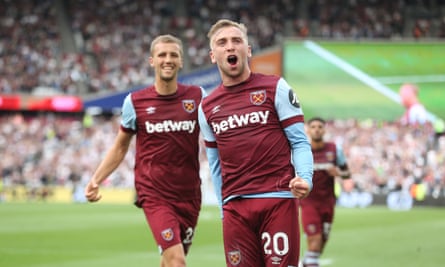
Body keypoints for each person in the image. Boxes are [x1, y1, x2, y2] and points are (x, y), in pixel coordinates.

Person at [198, 19, 314, 267]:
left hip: (278, 201)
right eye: (222, 43)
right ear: (212, 55)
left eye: (237, 41)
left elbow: (300, 141)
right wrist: (223, 209)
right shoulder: (206, 107)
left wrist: (305, 177)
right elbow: (215, 164)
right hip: (235, 210)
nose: (230, 47)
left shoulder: (276, 88)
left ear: (248, 50)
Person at [84, 34, 206, 267]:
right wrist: (96, 179)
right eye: (162, 55)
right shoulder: (135, 102)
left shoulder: (198, 97)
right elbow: (121, 146)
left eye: (173, 55)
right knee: (177, 261)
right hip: (154, 192)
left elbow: (220, 132)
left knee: (169, 259)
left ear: (181, 61)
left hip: (189, 193)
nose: (167, 59)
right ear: (152, 61)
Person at [300, 117, 351, 267]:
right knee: (314, 243)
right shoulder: (302, 151)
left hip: (328, 203)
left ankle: (305, 263)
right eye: (313, 127)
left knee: (319, 246)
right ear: (308, 130)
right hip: (308, 203)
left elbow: (347, 173)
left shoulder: (335, 150)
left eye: (320, 127)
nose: (317, 129)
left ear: (324, 130)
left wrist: (339, 173)